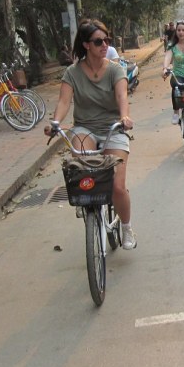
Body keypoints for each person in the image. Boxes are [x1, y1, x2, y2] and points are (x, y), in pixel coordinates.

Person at [44, 18, 137, 249]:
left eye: (107, 40)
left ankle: (126, 227)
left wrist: (124, 117)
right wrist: (55, 122)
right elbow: (64, 102)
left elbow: (121, 97)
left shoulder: (115, 69)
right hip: (85, 127)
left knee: (117, 186)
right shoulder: (72, 73)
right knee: (84, 170)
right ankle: (89, 204)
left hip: (114, 127)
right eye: (98, 41)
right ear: (86, 44)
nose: (104, 44)